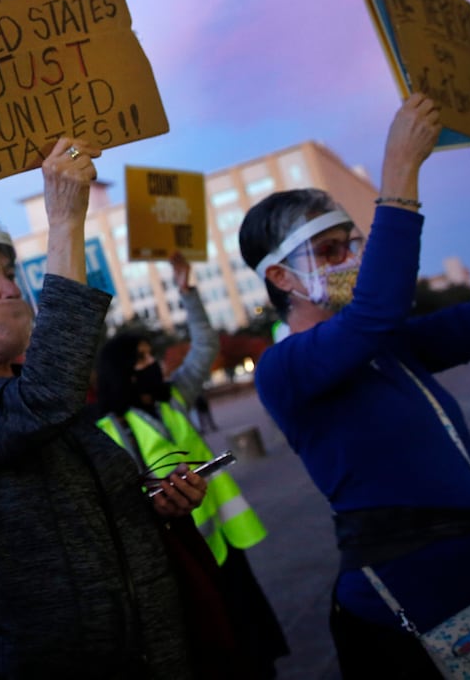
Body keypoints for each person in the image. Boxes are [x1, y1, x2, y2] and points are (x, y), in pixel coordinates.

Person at [240, 94, 470, 678]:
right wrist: (399, 172)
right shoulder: (283, 368)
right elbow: (375, 309)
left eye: (352, 243)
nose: (349, 258)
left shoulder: (393, 343)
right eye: (328, 251)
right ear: (280, 277)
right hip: (418, 594)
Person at [0, 137, 228, 679]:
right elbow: (43, 398)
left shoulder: (42, 396)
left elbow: (76, 517)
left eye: (9, 275)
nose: (9, 290)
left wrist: (151, 506)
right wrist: (65, 223)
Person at [95, 252, 289, 677]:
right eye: (142, 359)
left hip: (224, 544)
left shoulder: (175, 399)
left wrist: (188, 292)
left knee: (255, 648)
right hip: (180, 558)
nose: (153, 364)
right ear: (123, 373)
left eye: (151, 355)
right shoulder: (111, 431)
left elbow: (204, 347)